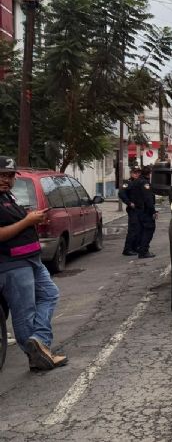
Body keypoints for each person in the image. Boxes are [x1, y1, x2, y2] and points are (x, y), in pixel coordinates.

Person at [0, 156, 68, 371]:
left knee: (50, 294)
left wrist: (33, 218)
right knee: (24, 312)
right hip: (11, 263)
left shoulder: (7, 196)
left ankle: (39, 340)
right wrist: (27, 221)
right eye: (2, 175)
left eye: (10, 176)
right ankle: (37, 356)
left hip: (31, 259)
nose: (7, 180)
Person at [128, 166, 157, 259]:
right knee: (148, 229)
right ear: (149, 174)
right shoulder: (144, 183)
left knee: (141, 231)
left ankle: (141, 249)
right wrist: (153, 211)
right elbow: (148, 199)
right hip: (145, 211)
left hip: (138, 210)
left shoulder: (136, 181)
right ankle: (143, 251)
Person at [118, 167, 142, 257]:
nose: (137, 174)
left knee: (139, 229)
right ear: (131, 173)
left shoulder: (139, 182)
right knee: (133, 229)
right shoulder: (128, 183)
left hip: (139, 209)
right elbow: (121, 193)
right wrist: (129, 203)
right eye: (135, 173)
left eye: (138, 173)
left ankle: (135, 247)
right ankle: (127, 249)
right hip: (133, 210)